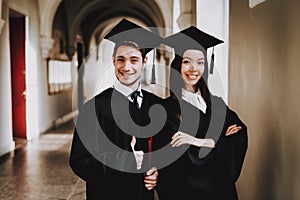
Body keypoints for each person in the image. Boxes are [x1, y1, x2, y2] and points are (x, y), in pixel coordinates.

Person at [69, 18, 170, 200]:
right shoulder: (95, 107)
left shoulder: (157, 105)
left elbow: (164, 153)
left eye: (134, 60)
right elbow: (79, 161)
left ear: (144, 61)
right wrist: (123, 160)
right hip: (108, 194)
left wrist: (156, 172)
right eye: (121, 60)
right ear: (113, 61)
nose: (126, 67)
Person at [157, 26, 248, 200]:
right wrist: (219, 142)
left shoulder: (217, 105)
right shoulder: (166, 110)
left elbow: (239, 135)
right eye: (187, 62)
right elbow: (177, 158)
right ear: (177, 65)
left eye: (200, 62)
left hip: (223, 193)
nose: (194, 69)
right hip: (187, 193)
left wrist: (198, 141)